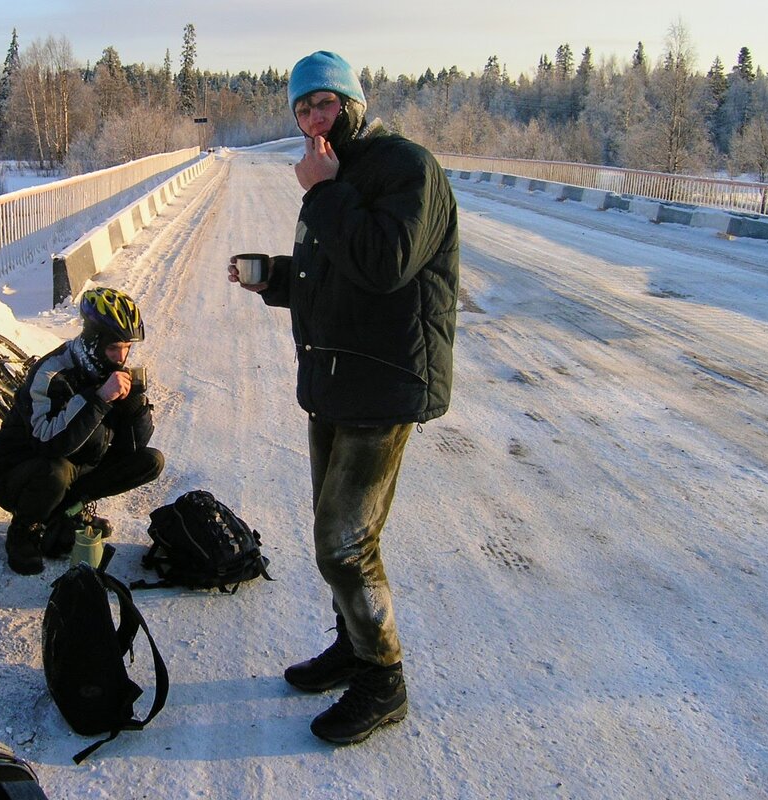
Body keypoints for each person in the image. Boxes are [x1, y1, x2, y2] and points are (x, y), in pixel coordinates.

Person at [227, 51, 459, 745]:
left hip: (381, 384)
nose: (312, 119)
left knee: (343, 546)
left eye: (324, 104)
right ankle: (352, 644)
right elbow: (335, 274)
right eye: (302, 109)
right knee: (343, 537)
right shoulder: (341, 177)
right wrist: (274, 276)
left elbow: (386, 265)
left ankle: (383, 680)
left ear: (354, 104)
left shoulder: (405, 168)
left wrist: (324, 193)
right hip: (333, 380)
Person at [0, 287, 164, 575]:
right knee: (56, 470)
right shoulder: (52, 373)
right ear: (92, 341)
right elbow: (49, 442)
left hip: (74, 464)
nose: (121, 357)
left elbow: (132, 449)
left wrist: (134, 406)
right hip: (19, 472)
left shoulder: (108, 370)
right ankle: (24, 530)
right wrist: (99, 399)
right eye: (114, 348)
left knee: (150, 461)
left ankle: (68, 512)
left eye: (127, 348)